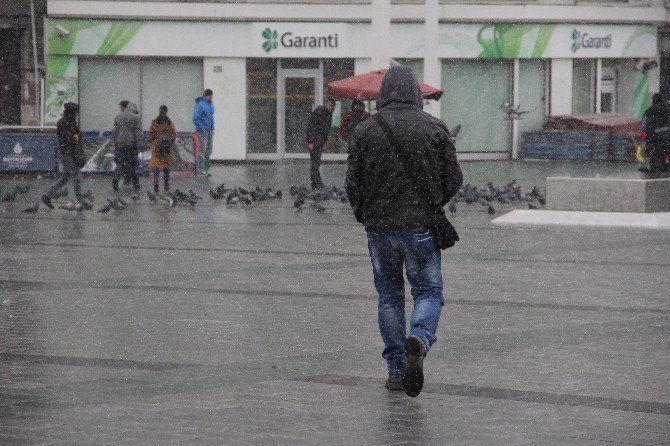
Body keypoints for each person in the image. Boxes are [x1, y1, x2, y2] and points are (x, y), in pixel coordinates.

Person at [345, 66, 463, 397]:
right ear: (414, 92)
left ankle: (396, 370)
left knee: (389, 296)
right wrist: (432, 203)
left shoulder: (366, 131)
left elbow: (353, 184)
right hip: (421, 227)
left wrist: (365, 214)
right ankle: (420, 338)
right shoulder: (435, 128)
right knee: (428, 292)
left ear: (383, 93)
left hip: (380, 228)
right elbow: (454, 179)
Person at [42, 102, 86, 210]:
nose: (77, 114)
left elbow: (79, 133)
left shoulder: (72, 121)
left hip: (71, 152)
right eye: (76, 111)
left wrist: (77, 136)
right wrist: (74, 138)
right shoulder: (62, 122)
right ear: (72, 111)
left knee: (65, 178)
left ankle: (47, 195)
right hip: (67, 153)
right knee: (76, 177)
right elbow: (64, 140)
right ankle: (80, 202)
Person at [112, 101, 143, 191]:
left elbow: (114, 131)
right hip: (131, 144)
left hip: (120, 144)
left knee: (120, 163)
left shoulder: (118, 116)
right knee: (132, 165)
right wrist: (140, 145)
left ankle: (116, 179)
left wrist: (115, 141)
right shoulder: (136, 118)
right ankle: (135, 184)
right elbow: (138, 133)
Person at [305, 98, 335, 190]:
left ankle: (317, 184)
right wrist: (310, 141)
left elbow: (323, 129)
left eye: (333, 106)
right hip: (315, 141)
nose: (332, 108)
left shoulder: (328, 114)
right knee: (315, 164)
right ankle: (316, 184)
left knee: (316, 163)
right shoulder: (320, 112)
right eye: (331, 105)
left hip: (319, 141)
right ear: (327, 104)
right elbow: (311, 126)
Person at [148, 105, 176, 193]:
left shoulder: (155, 122)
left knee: (156, 165)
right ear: (166, 111)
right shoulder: (169, 123)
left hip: (157, 147)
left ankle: (156, 182)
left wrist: (153, 142)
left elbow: (151, 134)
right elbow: (173, 134)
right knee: (166, 166)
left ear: (159, 111)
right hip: (167, 148)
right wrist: (169, 143)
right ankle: (166, 184)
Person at [641, 93, 670, 172]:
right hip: (667, 137)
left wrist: (644, 136)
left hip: (653, 138)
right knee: (667, 153)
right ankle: (666, 167)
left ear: (653, 100)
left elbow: (644, 125)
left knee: (655, 155)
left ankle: (655, 170)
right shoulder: (668, 109)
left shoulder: (649, 110)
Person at [193, 88, 215, 176]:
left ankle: (206, 169)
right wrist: (203, 128)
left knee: (208, 151)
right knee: (202, 151)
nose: (211, 97)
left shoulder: (210, 105)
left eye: (211, 96)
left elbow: (211, 118)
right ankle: (200, 169)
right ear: (206, 96)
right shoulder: (200, 105)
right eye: (210, 96)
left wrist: (212, 128)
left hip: (209, 131)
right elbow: (195, 119)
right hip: (202, 132)